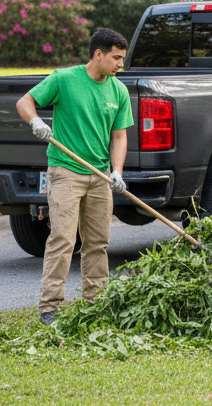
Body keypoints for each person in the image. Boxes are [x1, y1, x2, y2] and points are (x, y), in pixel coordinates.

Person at [16, 29, 134, 326]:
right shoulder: (64, 79)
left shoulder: (117, 91)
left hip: (100, 175)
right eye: (116, 58)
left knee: (97, 242)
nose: (121, 64)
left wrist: (117, 171)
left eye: (122, 58)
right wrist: (36, 121)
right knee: (63, 239)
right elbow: (24, 102)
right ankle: (49, 307)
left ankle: (96, 303)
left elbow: (119, 137)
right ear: (98, 54)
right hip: (66, 171)